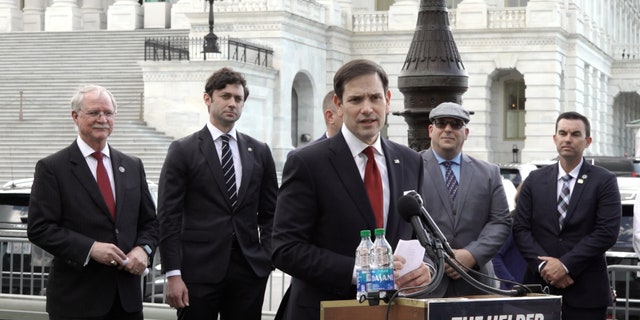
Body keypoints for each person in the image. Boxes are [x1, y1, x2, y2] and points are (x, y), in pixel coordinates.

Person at [272, 59, 432, 320]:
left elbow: (422, 236)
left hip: (392, 311)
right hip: (326, 310)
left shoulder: (410, 161)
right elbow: (285, 249)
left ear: (388, 100)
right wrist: (361, 271)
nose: (367, 108)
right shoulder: (307, 162)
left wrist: (426, 268)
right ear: (338, 105)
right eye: (356, 99)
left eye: (375, 98)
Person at [27, 84, 158, 320]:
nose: (102, 119)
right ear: (75, 117)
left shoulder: (132, 166)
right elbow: (40, 228)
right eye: (94, 112)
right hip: (76, 301)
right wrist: (90, 248)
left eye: (108, 113)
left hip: (126, 302)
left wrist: (144, 250)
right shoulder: (53, 168)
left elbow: (150, 222)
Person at [157, 67, 278, 320]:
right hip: (197, 273)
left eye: (238, 98)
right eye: (225, 96)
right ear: (208, 99)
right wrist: (173, 274)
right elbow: (169, 215)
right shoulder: (183, 150)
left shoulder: (260, 151)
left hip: (249, 271)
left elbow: (271, 212)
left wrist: (267, 257)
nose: (232, 103)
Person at [513, 111, 621, 319]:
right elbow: (520, 229)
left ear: (587, 141)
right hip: (538, 290)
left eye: (575, 134)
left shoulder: (604, 181)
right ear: (555, 139)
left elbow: (606, 232)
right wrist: (545, 266)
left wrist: (565, 265)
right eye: (562, 133)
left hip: (586, 293)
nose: (568, 139)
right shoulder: (534, 180)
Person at [419, 101, 511, 297]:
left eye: (456, 124)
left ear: (466, 133)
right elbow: (404, 224)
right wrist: (437, 260)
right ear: (430, 130)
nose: (448, 129)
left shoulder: (489, 173)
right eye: (441, 123)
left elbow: (500, 222)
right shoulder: (412, 168)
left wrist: (471, 255)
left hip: (477, 282)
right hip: (427, 282)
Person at [492, 184, 526, 290]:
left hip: (535, 292)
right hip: (514, 295)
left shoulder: (540, 226)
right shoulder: (512, 225)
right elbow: (495, 257)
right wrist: (512, 283)